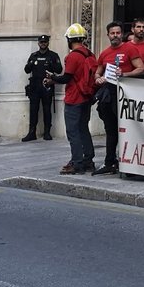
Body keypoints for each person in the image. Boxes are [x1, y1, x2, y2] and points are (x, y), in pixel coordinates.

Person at [92, 21, 144, 174]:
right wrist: (98, 78)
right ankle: (110, 162)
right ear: (108, 35)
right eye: (112, 33)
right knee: (110, 129)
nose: (115, 35)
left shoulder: (130, 48)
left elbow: (141, 69)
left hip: (125, 93)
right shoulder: (105, 53)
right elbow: (97, 72)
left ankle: (129, 163)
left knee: (127, 129)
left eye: (118, 33)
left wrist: (124, 74)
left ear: (122, 34)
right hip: (108, 95)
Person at [51, 24, 97, 175]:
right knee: (83, 129)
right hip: (87, 97)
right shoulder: (90, 54)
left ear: (69, 39)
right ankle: (88, 160)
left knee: (73, 131)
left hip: (74, 98)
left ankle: (77, 163)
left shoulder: (72, 56)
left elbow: (66, 78)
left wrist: (52, 78)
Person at [22, 35, 61, 142]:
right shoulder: (33, 55)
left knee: (46, 109)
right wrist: (30, 63)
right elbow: (26, 70)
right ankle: (31, 132)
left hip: (46, 86)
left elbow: (59, 69)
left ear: (48, 43)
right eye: (41, 42)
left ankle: (47, 132)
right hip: (34, 86)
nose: (43, 43)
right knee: (33, 110)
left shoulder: (53, 56)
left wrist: (51, 65)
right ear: (38, 43)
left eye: (45, 42)